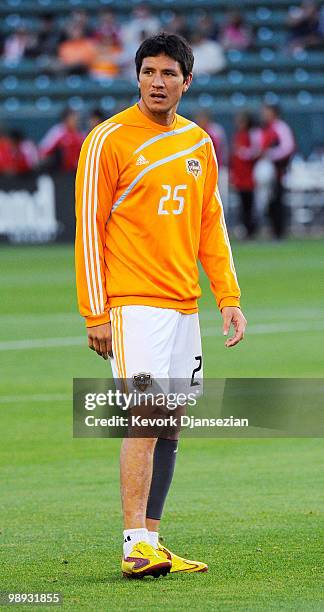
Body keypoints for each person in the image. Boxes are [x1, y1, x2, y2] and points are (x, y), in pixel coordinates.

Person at [75, 32, 246, 579]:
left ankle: (151, 538)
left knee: (170, 423)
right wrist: (96, 312)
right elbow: (88, 231)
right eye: (149, 71)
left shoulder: (199, 143)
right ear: (137, 76)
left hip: (183, 308)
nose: (157, 81)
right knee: (144, 418)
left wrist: (228, 296)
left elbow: (209, 228)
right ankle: (132, 543)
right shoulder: (109, 139)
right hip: (133, 305)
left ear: (186, 82)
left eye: (169, 73)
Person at [260, 104, 295, 239]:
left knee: (278, 200)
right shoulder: (267, 128)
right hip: (270, 171)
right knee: (271, 201)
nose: (264, 114)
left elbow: (287, 147)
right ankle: (274, 230)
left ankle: (280, 231)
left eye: (266, 111)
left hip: (279, 171)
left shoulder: (280, 127)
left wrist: (270, 154)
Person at [230, 111, 261, 238]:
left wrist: (244, 153)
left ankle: (251, 229)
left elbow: (257, 150)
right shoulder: (238, 135)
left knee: (250, 204)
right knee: (242, 205)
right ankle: (245, 229)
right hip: (240, 175)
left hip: (249, 175)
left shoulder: (252, 134)